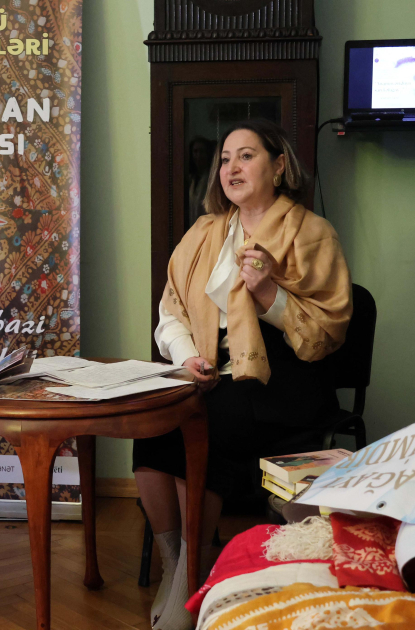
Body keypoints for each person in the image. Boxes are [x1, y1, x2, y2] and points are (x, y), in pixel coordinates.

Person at [133, 119, 353, 630]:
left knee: (206, 422)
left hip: (286, 383)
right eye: (225, 158)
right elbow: (171, 310)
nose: (231, 167)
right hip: (211, 375)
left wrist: (269, 293)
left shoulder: (313, 232)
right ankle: (176, 565)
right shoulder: (204, 232)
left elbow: (329, 331)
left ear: (279, 166)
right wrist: (187, 356)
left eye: (246, 155)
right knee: (152, 425)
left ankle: (193, 571)